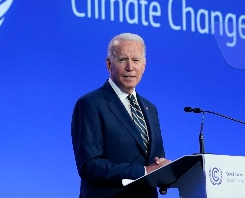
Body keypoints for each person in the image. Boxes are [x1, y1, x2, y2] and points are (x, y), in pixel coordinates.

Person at [71, 33, 171, 198]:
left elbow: (155, 160)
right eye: (123, 59)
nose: (130, 67)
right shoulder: (91, 104)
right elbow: (89, 165)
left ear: (144, 66)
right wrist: (143, 171)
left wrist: (166, 169)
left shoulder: (149, 108)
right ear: (109, 65)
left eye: (136, 60)